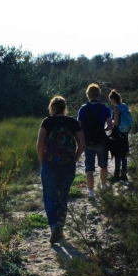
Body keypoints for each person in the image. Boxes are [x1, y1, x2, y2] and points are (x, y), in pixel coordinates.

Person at [37, 96, 85, 244]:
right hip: (68, 165)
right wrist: (75, 159)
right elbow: (82, 144)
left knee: (49, 197)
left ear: (52, 107)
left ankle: (53, 226)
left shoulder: (47, 121)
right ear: (64, 107)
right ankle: (61, 229)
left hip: (50, 164)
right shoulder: (72, 122)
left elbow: (40, 144)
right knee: (62, 196)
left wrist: (42, 161)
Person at [77, 83, 113, 198]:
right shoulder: (105, 108)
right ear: (99, 94)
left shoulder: (83, 109)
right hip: (101, 140)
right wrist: (104, 129)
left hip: (88, 141)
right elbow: (110, 126)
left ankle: (91, 192)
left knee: (89, 168)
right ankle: (103, 185)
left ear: (88, 95)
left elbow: (78, 126)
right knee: (103, 165)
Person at [108, 89, 130, 181]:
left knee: (117, 155)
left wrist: (111, 122)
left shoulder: (116, 108)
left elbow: (116, 122)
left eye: (110, 100)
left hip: (118, 134)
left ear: (113, 99)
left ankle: (116, 174)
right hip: (125, 133)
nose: (111, 102)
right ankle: (124, 174)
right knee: (124, 154)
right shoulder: (124, 105)